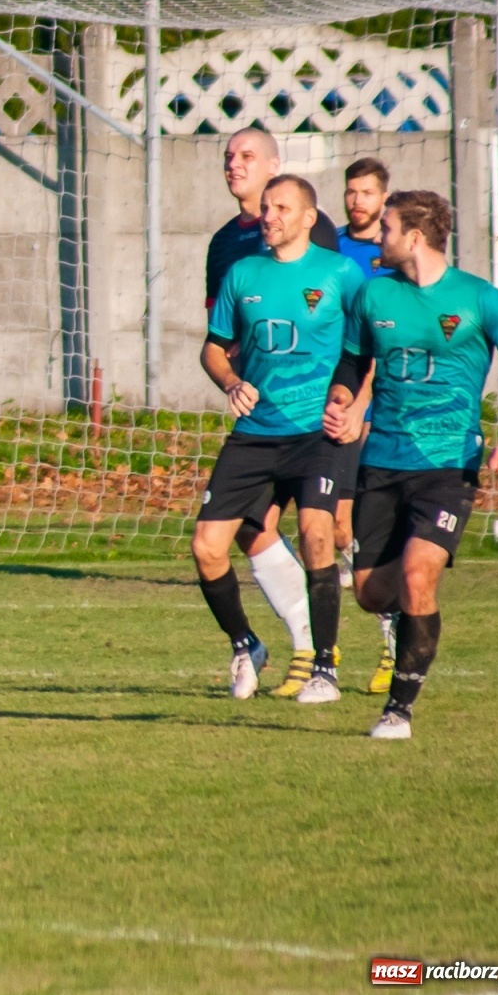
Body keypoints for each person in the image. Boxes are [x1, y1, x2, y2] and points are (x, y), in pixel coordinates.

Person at [324, 189, 498, 740]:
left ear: (414, 237)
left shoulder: (479, 299)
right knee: (371, 593)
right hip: (381, 462)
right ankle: (405, 620)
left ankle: (399, 709)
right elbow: (352, 360)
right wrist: (342, 401)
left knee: (420, 575)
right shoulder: (372, 297)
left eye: (387, 228)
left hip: (448, 465)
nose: (379, 237)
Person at [193, 176, 366, 703]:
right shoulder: (242, 273)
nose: (269, 216)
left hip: (318, 431)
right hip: (255, 433)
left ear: (309, 218)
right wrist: (230, 380)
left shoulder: (340, 274)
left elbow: (371, 348)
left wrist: (356, 408)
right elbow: (214, 348)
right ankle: (246, 644)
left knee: (319, 532)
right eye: (266, 208)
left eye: (281, 208)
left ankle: (324, 669)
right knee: (207, 547)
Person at [334, 156, 400, 695]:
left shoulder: (396, 254)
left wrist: (366, 398)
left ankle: (391, 643)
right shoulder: (331, 248)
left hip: (382, 410)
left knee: (373, 532)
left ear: (384, 197)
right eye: (351, 191)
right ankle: (324, 645)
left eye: (367, 192)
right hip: (338, 402)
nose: (357, 201)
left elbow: (384, 336)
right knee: (334, 527)